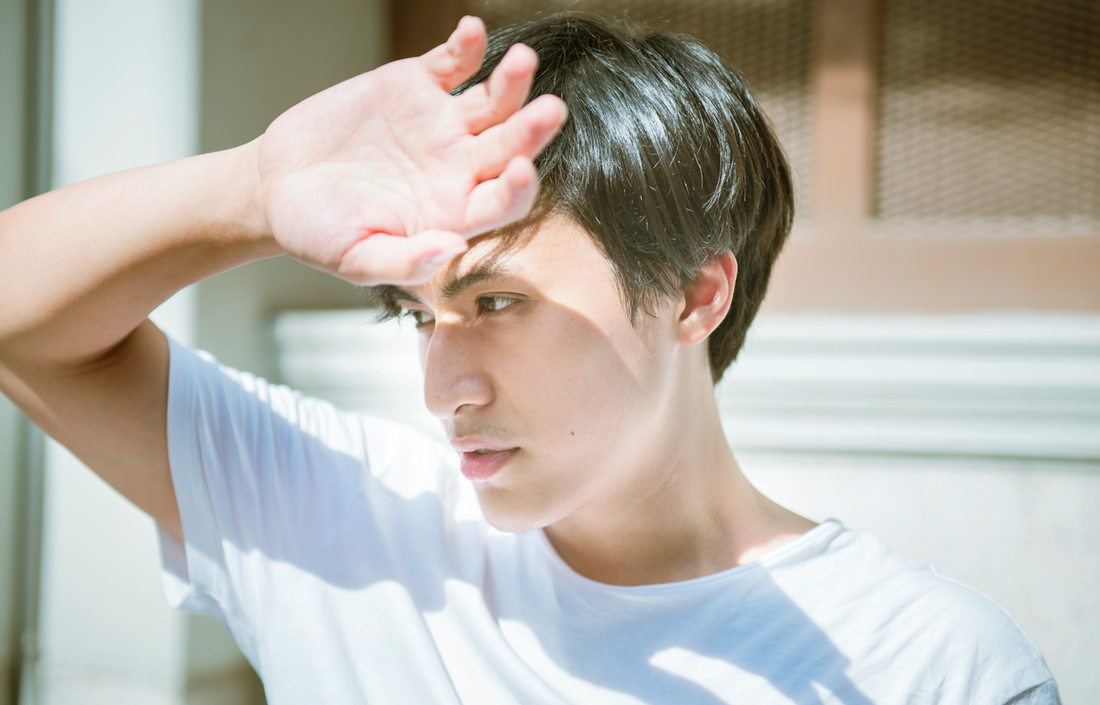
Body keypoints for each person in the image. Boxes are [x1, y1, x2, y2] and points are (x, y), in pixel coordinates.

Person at [0, 12, 1059, 704]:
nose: (439, 386)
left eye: (494, 300)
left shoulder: (930, 666)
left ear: (694, 294)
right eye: (416, 315)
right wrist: (251, 189)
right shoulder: (351, 525)